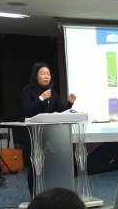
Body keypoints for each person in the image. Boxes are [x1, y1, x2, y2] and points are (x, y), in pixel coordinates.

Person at [20, 62, 77, 194]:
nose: (46, 76)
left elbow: (61, 110)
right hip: (33, 134)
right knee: (35, 166)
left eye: (48, 74)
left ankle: (50, 194)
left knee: (49, 165)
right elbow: (26, 109)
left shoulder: (52, 92)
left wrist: (70, 103)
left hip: (49, 135)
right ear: (36, 75)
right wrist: (41, 98)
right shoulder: (27, 90)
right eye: (43, 74)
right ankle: (35, 196)